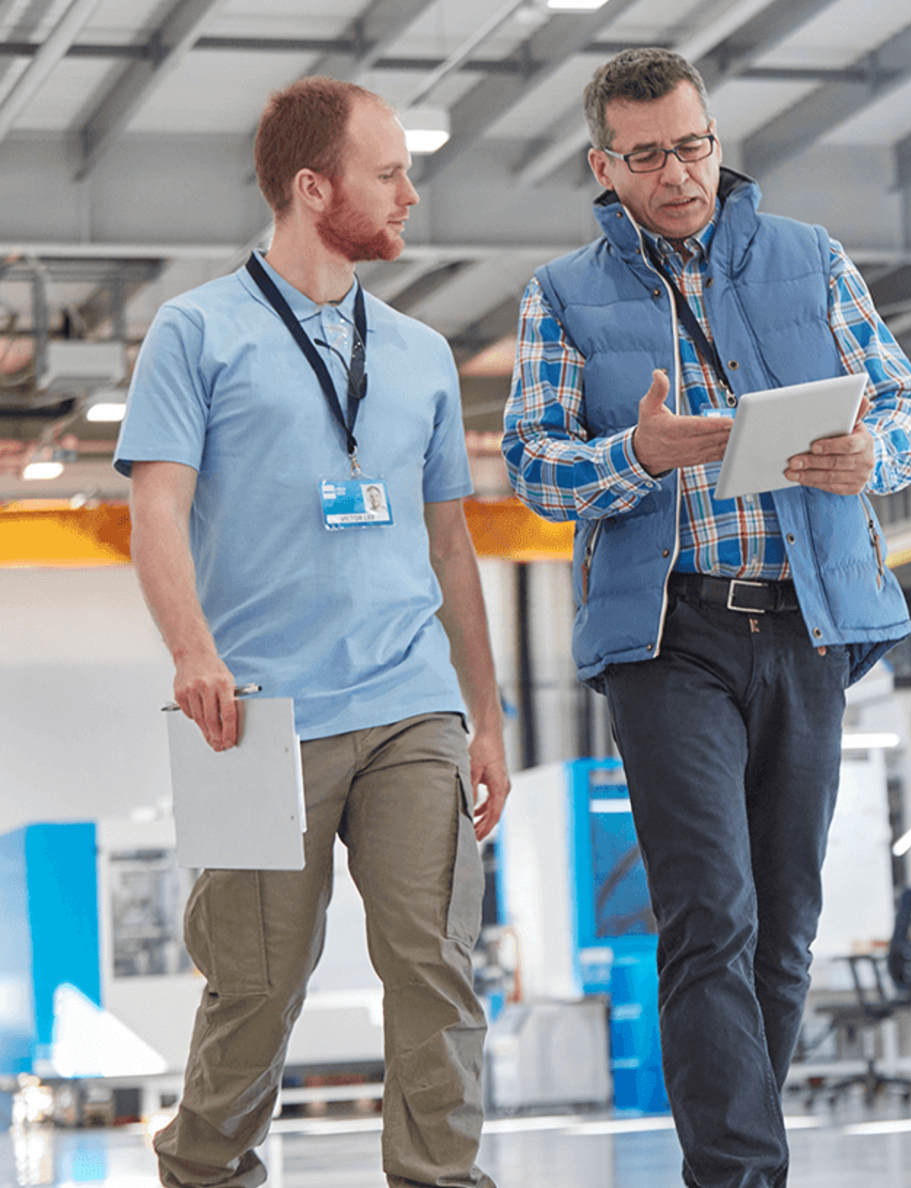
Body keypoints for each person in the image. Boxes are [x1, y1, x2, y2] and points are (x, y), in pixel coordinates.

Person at [501, 47, 911, 1188]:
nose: (679, 174)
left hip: (807, 622)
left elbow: (904, 398)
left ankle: (745, 1149)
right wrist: (631, 454)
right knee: (712, 913)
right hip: (667, 638)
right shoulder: (562, 295)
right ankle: (738, 1178)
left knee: (787, 920)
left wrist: (869, 455)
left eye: (692, 146)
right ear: (606, 165)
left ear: (713, 140)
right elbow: (536, 471)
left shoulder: (811, 258)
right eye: (647, 157)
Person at [117, 77, 509, 1188]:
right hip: (253, 716)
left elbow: (449, 549)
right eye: (389, 176)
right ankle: (203, 1168)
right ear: (311, 187)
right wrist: (193, 651)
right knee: (257, 980)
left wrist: (483, 716)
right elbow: (157, 508)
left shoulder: (423, 356)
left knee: (435, 963)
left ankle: (439, 1178)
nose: (411, 196)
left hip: (410, 707)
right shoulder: (197, 333)